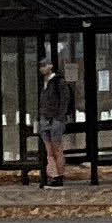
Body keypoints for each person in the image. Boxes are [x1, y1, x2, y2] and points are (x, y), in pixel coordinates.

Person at [34, 59, 73, 187]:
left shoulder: (59, 82)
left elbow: (65, 100)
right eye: (40, 66)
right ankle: (54, 175)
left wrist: (59, 117)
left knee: (57, 149)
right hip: (45, 118)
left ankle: (59, 176)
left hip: (55, 119)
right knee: (49, 150)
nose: (42, 69)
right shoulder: (43, 84)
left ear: (50, 66)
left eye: (44, 66)